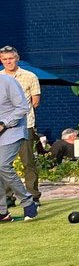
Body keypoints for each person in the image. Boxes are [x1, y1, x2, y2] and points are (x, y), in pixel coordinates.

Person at [1, 46, 40, 207]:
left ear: (17, 58)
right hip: (3, 129)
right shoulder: (0, 78)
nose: (8, 62)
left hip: (25, 125)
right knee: (4, 164)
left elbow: (35, 102)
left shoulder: (30, 76)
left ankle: (33, 196)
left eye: (11, 58)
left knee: (28, 162)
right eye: (5, 59)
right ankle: (8, 197)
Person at [0, 72, 36, 221]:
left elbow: (22, 108)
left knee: (2, 165)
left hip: (12, 131)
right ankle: (2, 212)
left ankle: (28, 203)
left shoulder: (7, 82)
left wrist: (4, 124)